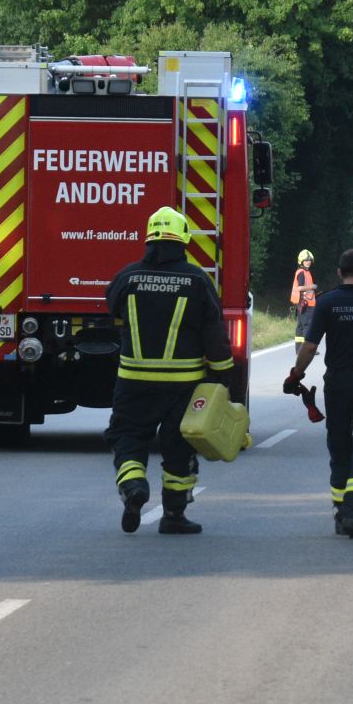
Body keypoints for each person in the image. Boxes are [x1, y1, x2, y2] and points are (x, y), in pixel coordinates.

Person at [105, 207, 236, 535]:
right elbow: (214, 334)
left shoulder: (126, 277)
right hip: (184, 384)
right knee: (178, 447)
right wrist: (223, 378)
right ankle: (174, 515)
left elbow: (114, 312)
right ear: (184, 239)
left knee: (127, 436)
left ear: (148, 238)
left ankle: (133, 485)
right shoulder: (196, 280)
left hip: (133, 380)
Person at [285, 248, 353, 538]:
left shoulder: (327, 302)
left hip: (338, 384)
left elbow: (309, 346)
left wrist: (296, 375)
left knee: (340, 446)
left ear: (339, 272)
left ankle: (341, 511)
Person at [290, 249, 318, 344]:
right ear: (301, 261)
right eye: (306, 260)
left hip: (305, 302)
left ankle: (299, 349)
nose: (308, 262)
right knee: (307, 325)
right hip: (304, 303)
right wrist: (312, 286)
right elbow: (300, 288)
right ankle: (308, 348)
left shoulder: (305, 272)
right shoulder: (301, 272)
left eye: (310, 260)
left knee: (301, 326)